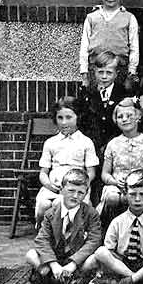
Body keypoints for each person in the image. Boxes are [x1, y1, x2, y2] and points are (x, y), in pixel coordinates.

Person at [26, 169, 102, 284]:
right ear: (61, 189)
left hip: (78, 261)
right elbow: (42, 240)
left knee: (95, 258)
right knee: (31, 255)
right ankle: (55, 275)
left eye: (80, 193)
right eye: (71, 191)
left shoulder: (91, 214)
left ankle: (57, 278)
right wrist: (53, 264)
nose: (75, 196)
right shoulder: (50, 214)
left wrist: (72, 264)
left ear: (86, 193)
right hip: (56, 258)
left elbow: (94, 240)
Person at [35, 96, 98, 227]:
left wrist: (81, 185)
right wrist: (49, 185)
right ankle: (44, 230)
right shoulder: (51, 143)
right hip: (54, 188)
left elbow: (91, 172)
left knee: (60, 204)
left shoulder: (86, 142)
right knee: (44, 205)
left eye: (69, 118)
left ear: (78, 117)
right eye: (60, 118)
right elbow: (43, 173)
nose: (64, 123)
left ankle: (66, 235)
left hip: (77, 188)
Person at [97, 98, 143, 231]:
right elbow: (105, 173)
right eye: (120, 117)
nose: (125, 119)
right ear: (116, 120)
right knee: (112, 198)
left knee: (136, 198)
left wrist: (138, 183)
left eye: (129, 116)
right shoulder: (113, 143)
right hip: (116, 186)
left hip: (140, 185)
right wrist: (114, 181)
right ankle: (109, 231)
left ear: (138, 117)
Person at [79, 0, 139, 91]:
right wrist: (84, 73)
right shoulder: (92, 17)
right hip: (97, 69)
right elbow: (84, 47)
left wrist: (131, 72)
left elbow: (134, 47)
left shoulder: (129, 18)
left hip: (119, 69)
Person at [78, 51, 128, 154]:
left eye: (109, 73)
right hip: (93, 147)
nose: (104, 77)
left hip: (117, 146)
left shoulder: (123, 93)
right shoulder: (88, 93)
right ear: (94, 72)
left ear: (116, 74)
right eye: (100, 72)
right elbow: (83, 121)